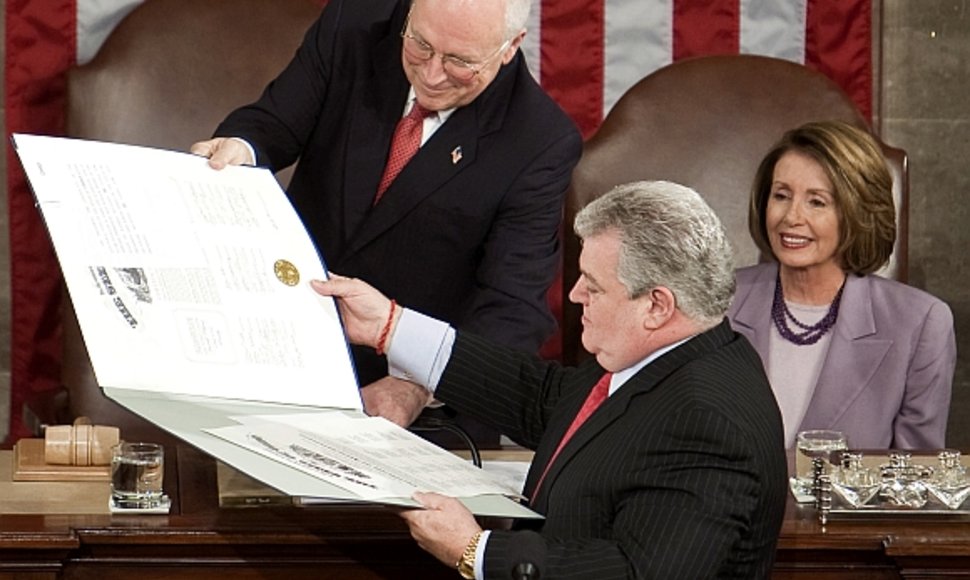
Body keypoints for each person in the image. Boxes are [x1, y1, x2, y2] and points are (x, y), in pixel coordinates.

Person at [313, 181, 788, 579]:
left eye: (594, 286)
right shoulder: (664, 359)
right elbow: (544, 399)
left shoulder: (707, 418)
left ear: (657, 305)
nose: (576, 294)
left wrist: (475, 550)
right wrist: (389, 328)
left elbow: (640, 573)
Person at [190, 0, 582, 446]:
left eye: (459, 62)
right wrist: (241, 149)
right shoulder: (352, 27)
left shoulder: (539, 142)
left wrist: (418, 386)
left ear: (511, 47)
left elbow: (512, 310)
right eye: (420, 45)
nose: (431, 74)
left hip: (414, 413)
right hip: (283, 352)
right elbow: (272, 123)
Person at [729, 120, 955, 449]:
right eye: (781, 195)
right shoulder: (716, 303)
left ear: (856, 212)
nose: (791, 216)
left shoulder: (921, 323)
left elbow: (914, 480)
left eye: (817, 202)